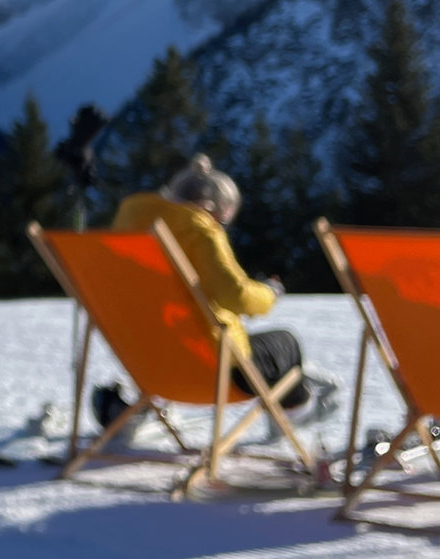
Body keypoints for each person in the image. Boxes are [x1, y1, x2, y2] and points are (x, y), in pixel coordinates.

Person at [92, 154, 317, 428]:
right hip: (211, 372)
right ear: (215, 208)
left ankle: (135, 413)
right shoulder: (200, 232)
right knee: (286, 343)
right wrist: (269, 293)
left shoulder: (129, 229)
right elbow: (234, 294)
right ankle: (295, 414)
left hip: (148, 366)